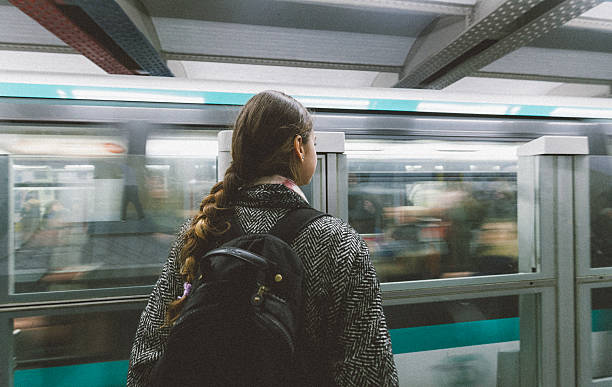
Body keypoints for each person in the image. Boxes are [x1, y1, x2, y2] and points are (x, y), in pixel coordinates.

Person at [127, 90, 398, 386]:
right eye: (314, 144)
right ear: (299, 147)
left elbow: (146, 358)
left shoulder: (200, 232)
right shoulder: (339, 243)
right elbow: (370, 373)